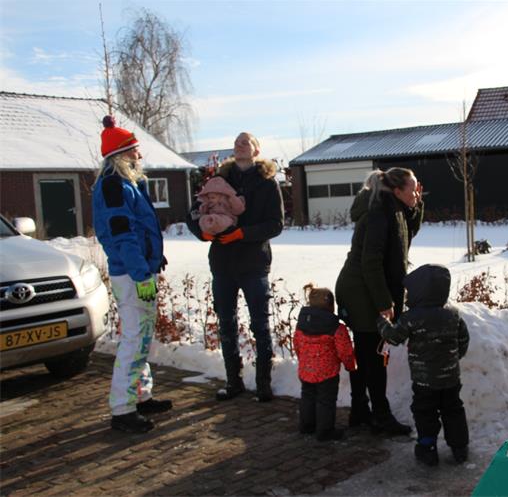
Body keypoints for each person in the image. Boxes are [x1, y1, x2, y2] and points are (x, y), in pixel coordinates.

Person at [186, 132, 284, 402]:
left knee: (260, 326)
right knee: (226, 325)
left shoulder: (267, 183)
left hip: (254, 264)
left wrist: (242, 234)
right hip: (223, 264)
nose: (240, 145)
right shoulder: (219, 180)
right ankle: (233, 382)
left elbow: (276, 224)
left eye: (246, 142)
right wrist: (203, 232)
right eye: (237, 142)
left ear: (256, 150)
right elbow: (192, 213)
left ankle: (263, 384)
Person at [92, 115, 171, 433]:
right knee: (134, 339)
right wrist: (141, 274)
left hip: (139, 270)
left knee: (142, 337)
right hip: (131, 275)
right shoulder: (114, 186)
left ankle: (141, 395)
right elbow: (122, 235)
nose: (139, 155)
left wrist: (154, 257)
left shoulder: (128, 184)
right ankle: (122, 409)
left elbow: (140, 229)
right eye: (134, 150)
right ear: (121, 154)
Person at [335, 167, 423, 435]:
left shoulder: (393, 209)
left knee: (366, 353)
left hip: (368, 287)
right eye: (413, 189)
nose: (417, 193)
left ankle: (360, 411)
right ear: (397, 191)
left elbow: (406, 233)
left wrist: (417, 206)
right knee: (373, 356)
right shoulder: (379, 214)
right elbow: (370, 262)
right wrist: (384, 302)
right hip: (362, 290)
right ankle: (380, 417)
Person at [377, 264, 470, 466]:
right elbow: (463, 339)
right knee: (453, 410)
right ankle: (460, 448)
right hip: (451, 378)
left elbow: (393, 337)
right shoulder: (453, 314)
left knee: (425, 412)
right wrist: (454, 358)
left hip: (424, 381)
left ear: (420, 292)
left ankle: (427, 449)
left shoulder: (412, 318)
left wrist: (382, 322)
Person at [293, 285, 356, 441]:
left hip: (306, 370)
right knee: (325, 401)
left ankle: (307, 426)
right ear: (331, 305)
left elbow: (297, 344)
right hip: (327, 373)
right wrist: (351, 365)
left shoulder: (302, 324)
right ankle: (325, 431)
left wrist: (303, 360)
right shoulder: (336, 327)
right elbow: (345, 351)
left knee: (307, 397)